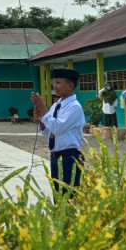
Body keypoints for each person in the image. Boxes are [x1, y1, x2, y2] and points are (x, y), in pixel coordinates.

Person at [31, 68, 85, 198]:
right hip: (56, 156)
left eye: (58, 82)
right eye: (54, 82)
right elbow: (51, 132)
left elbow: (58, 127)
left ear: (71, 85)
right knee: (58, 194)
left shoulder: (74, 107)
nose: (55, 86)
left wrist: (44, 109)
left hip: (69, 157)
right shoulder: (56, 105)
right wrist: (42, 121)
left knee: (68, 196)